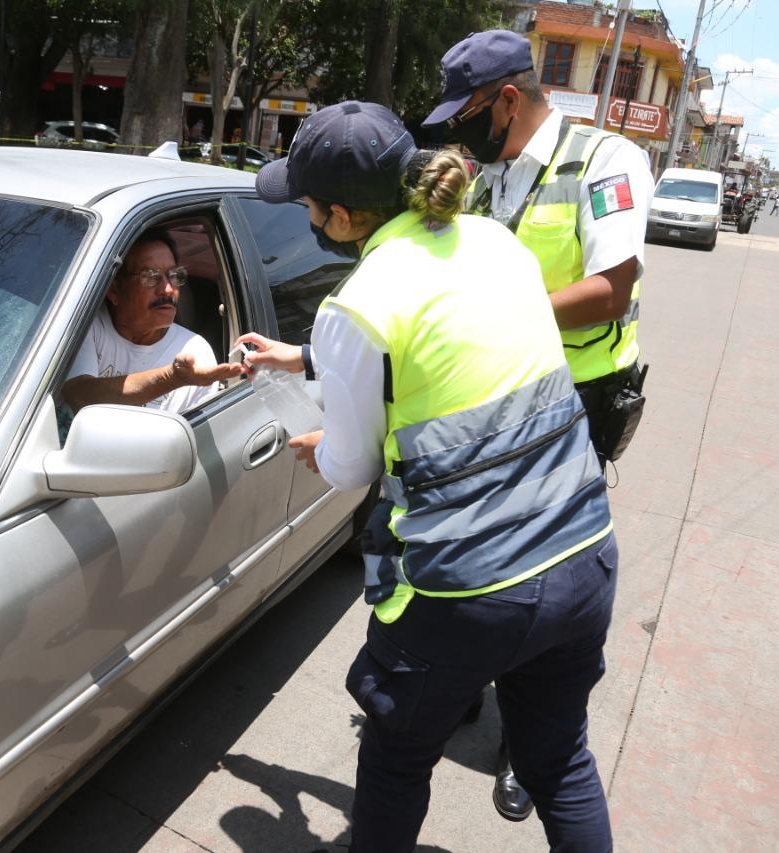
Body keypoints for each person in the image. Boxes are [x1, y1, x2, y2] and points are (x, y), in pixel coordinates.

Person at [241, 100, 618, 853]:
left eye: (308, 206)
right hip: (582, 553)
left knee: (397, 759)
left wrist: (322, 444)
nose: (307, 218)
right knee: (559, 761)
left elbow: (352, 464)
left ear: (340, 216)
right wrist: (308, 357)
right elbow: (452, 338)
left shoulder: (356, 305)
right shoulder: (495, 242)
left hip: (469, 590)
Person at [421, 28, 649, 823]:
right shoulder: (490, 174)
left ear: (508, 99)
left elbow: (612, 287)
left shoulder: (606, 160)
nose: (462, 132)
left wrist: (497, 314)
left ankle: (530, 741)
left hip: (575, 403)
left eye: (468, 114)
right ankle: (465, 684)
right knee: (479, 548)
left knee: (545, 572)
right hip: (495, 394)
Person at [63, 231, 242, 414]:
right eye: (150, 276)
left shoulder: (195, 352)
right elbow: (79, 395)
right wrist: (171, 377)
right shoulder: (88, 326)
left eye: (174, 275)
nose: (168, 289)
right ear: (114, 290)